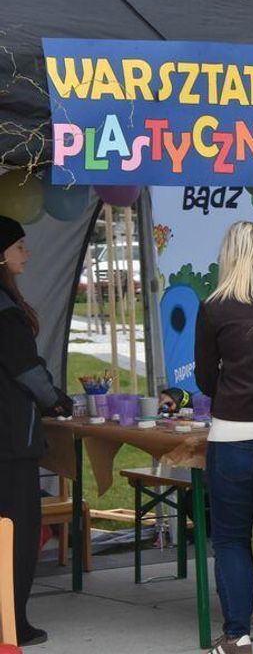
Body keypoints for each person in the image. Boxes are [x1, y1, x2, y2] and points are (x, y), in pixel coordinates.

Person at [196, 221, 253, 654]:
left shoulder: (214, 306)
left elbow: (204, 377)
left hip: (231, 433)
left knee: (232, 538)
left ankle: (237, 635)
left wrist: (229, 391)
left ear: (228, 254)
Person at [0, 215, 72, 648]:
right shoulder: (6, 313)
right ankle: (14, 622)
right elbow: (27, 370)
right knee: (18, 532)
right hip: (10, 440)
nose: (28, 253)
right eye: (20, 246)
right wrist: (57, 401)